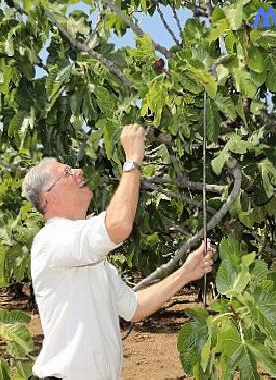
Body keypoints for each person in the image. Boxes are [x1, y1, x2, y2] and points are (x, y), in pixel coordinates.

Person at [21, 123, 215, 380]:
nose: (79, 172)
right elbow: (118, 225)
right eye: (67, 172)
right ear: (49, 197)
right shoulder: (51, 239)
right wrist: (132, 160)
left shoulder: (92, 260)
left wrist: (185, 274)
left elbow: (134, 308)